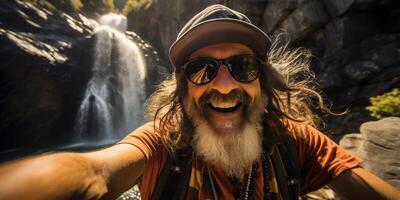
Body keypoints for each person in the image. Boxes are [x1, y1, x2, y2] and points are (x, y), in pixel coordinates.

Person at [0, 4, 399, 200]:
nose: (224, 85)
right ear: (182, 86)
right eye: (203, 69)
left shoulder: (298, 142)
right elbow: (94, 171)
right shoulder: (160, 144)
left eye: (242, 66)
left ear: (262, 79)